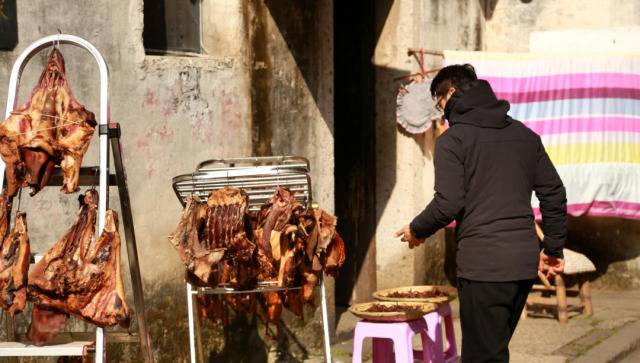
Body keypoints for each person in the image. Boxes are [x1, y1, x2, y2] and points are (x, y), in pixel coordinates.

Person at [394, 64, 567, 362]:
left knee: (482, 356)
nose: (441, 110)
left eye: (439, 103)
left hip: (484, 265)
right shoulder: (525, 136)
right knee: (494, 350)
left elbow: (447, 204)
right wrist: (552, 248)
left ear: (450, 93)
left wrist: (416, 229)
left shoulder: (453, 140)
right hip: (523, 264)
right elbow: (554, 193)